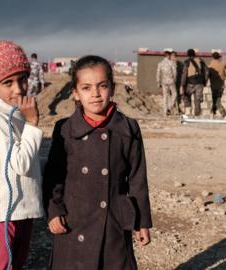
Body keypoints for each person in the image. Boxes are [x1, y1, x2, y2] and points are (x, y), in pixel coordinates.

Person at [43, 55, 152, 270]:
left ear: (112, 87)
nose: (95, 94)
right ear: (75, 92)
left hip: (113, 220)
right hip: (74, 221)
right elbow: (53, 175)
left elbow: (138, 179)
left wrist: (142, 222)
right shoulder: (65, 129)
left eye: (102, 86)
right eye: (86, 88)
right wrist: (54, 211)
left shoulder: (128, 129)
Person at [0, 40, 44, 270]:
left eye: (22, 79)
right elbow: (21, 163)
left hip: (23, 211)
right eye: (8, 83)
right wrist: (33, 122)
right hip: (3, 215)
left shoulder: (14, 113)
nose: (19, 89)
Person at [180, 49, 209, 116]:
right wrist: (205, 81)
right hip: (200, 84)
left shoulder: (187, 62)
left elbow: (184, 74)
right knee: (197, 100)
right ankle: (197, 116)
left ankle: (188, 112)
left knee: (186, 96)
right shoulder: (201, 61)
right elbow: (207, 71)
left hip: (190, 83)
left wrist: (182, 85)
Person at [156, 49, 177, 116]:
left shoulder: (160, 63)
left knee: (165, 96)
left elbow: (158, 73)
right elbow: (175, 72)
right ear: (168, 55)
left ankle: (165, 112)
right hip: (171, 80)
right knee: (174, 94)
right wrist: (175, 79)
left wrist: (158, 82)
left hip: (164, 81)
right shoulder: (171, 63)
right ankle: (170, 107)